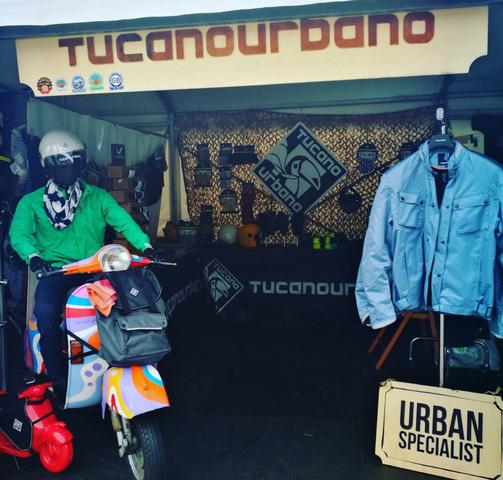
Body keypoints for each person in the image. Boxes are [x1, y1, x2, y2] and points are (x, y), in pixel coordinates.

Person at [9, 130, 159, 399]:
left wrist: (145, 245)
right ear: (48, 167)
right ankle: (58, 376)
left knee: (129, 304)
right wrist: (33, 257)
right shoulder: (31, 202)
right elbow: (19, 234)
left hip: (95, 269)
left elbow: (123, 221)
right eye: (60, 163)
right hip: (56, 271)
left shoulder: (97, 196)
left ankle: (127, 358)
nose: (67, 168)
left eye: (73, 162)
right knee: (45, 312)